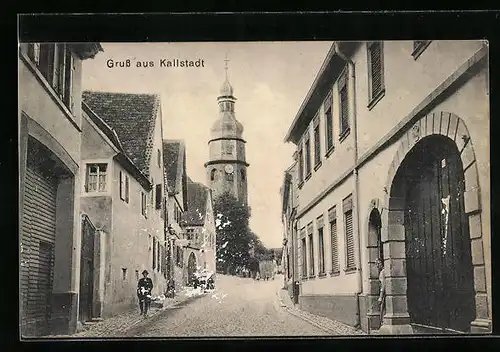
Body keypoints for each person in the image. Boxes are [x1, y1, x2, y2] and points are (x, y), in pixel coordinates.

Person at [376, 258, 386, 327]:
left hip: (384, 294)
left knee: (383, 310)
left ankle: (383, 324)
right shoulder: (383, 271)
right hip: (384, 294)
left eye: (378, 263)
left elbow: (383, 285)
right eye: (376, 264)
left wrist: (380, 297)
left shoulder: (382, 272)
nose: (377, 265)